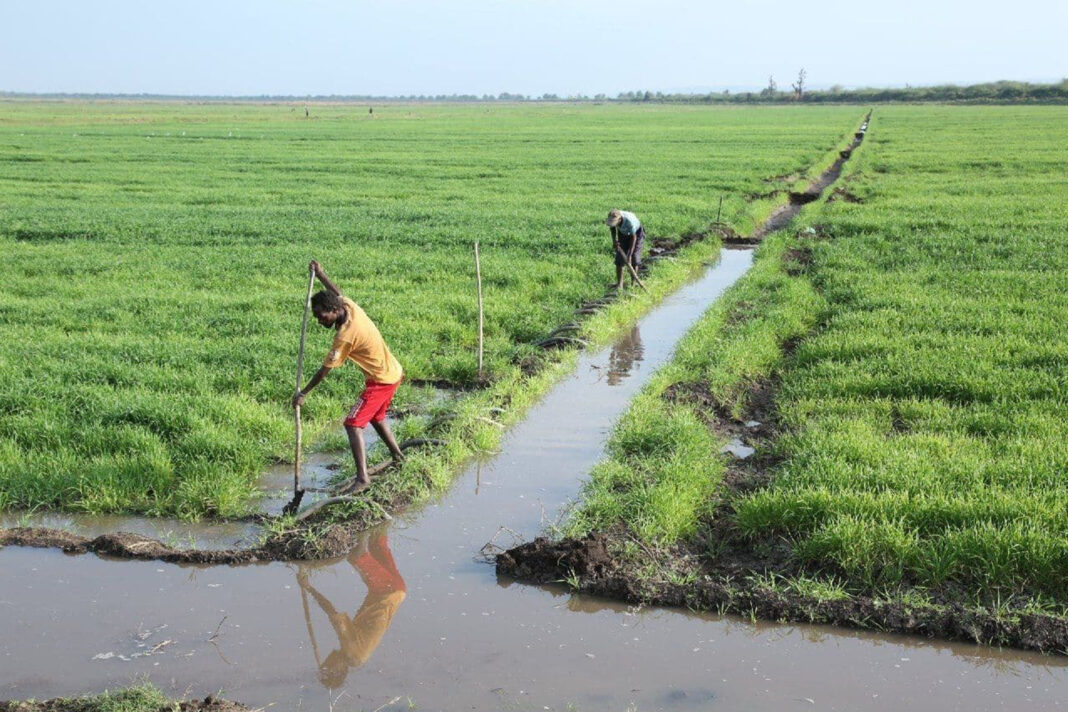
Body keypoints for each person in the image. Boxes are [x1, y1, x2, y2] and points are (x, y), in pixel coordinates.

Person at [292, 260, 404, 493]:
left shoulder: (345, 336)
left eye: (321, 316)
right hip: (393, 372)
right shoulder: (348, 306)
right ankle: (398, 456)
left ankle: (363, 478)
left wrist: (303, 393)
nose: (319, 320)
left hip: (381, 380)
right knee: (377, 418)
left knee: (353, 424)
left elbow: (325, 370)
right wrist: (321, 274)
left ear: (334, 312)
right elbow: (337, 293)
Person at [297, 527, 406, 689]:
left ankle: (380, 518)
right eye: (329, 665)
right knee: (357, 556)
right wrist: (308, 587)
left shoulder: (356, 658)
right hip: (386, 591)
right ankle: (362, 522)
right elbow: (332, 611)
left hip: (396, 592)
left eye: (325, 663)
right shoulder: (351, 652)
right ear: (339, 670)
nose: (328, 659)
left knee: (377, 544)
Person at [605, 209, 645, 290]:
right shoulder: (615, 221)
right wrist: (614, 241)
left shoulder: (630, 222)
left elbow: (633, 238)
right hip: (623, 233)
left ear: (619, 219)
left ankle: (633, 283)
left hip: (636, 234)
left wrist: (629, 255)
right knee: (619, 259)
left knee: (634, 258)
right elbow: (612, 229)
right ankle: (620, 284)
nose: (613, 223)